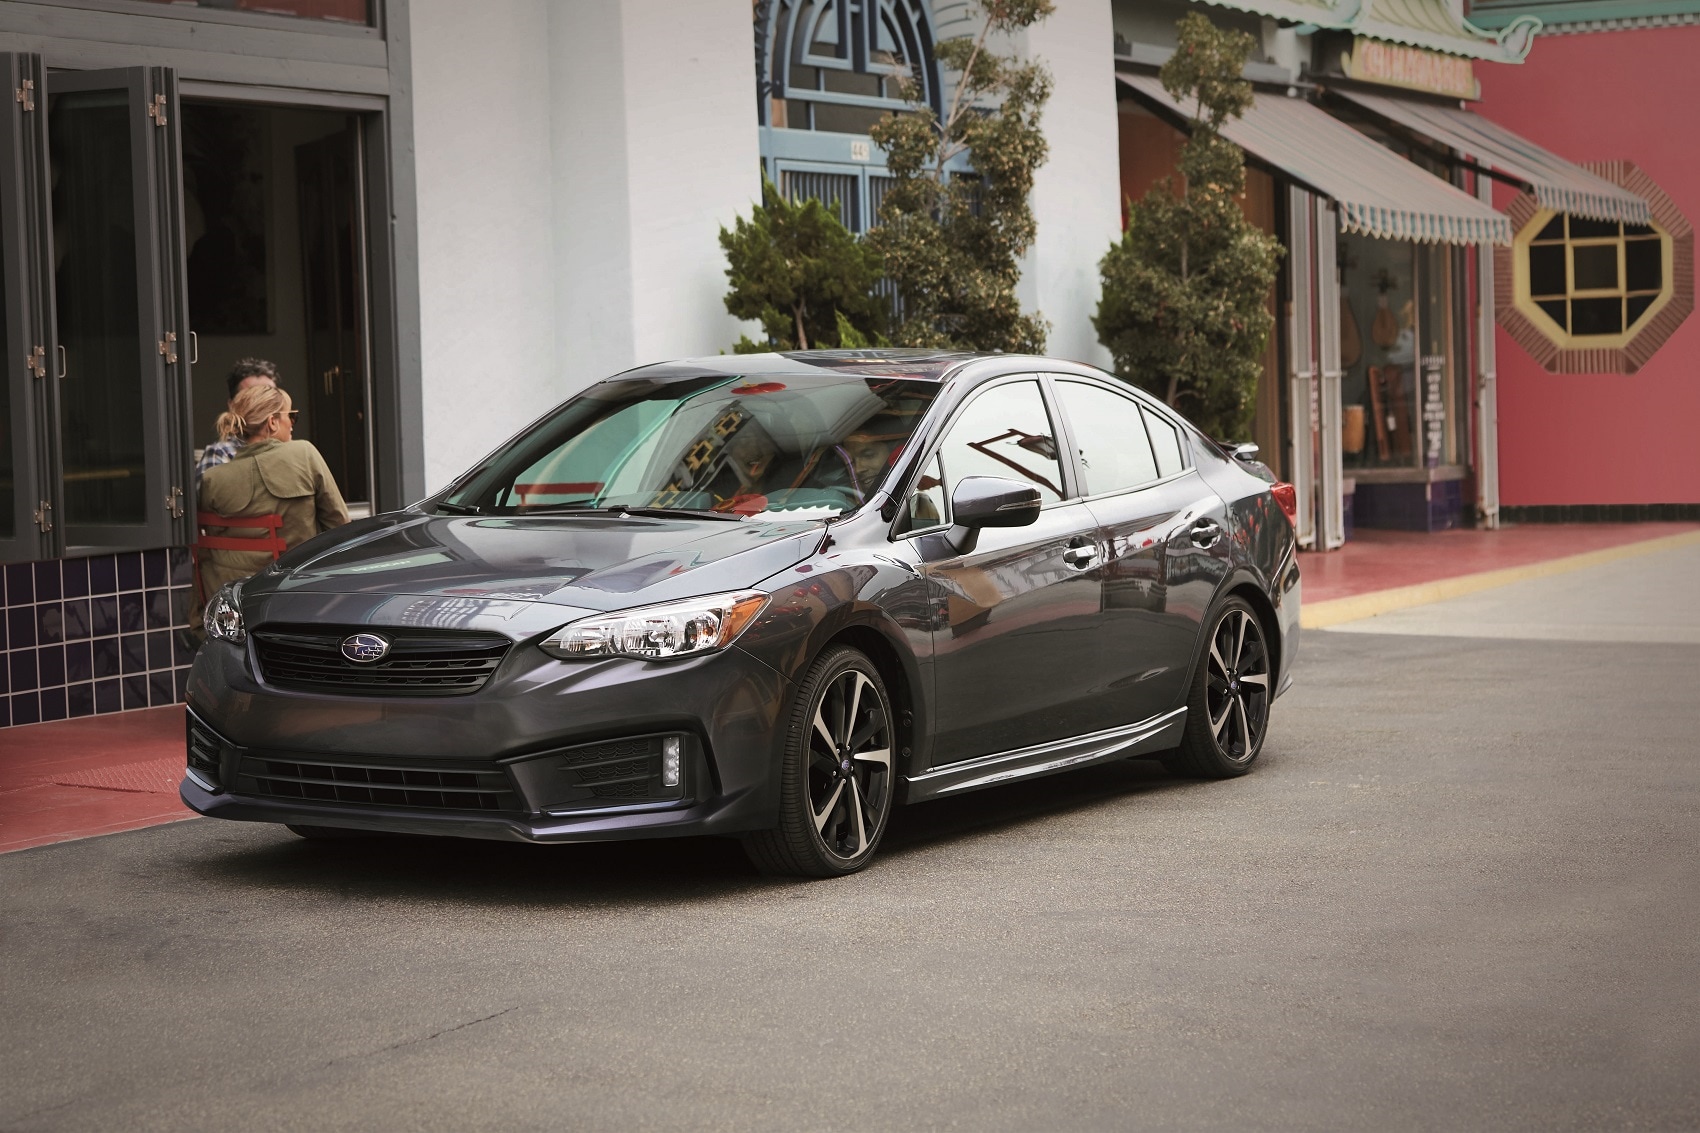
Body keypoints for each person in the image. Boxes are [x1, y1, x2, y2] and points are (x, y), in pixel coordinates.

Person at [198, 384, 349, 596]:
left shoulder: (212, 480)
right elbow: (339, 527)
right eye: (291, 416)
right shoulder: (304, 453)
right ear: (273, 422)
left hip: (234, 601)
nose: (293, 424)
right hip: (297, 594)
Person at [194, 358, 278, 491]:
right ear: (232, 405)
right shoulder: (220, 453)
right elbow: (212, 503)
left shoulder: (292, 451)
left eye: (269, 396)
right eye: (250, 397)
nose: (262, 404)